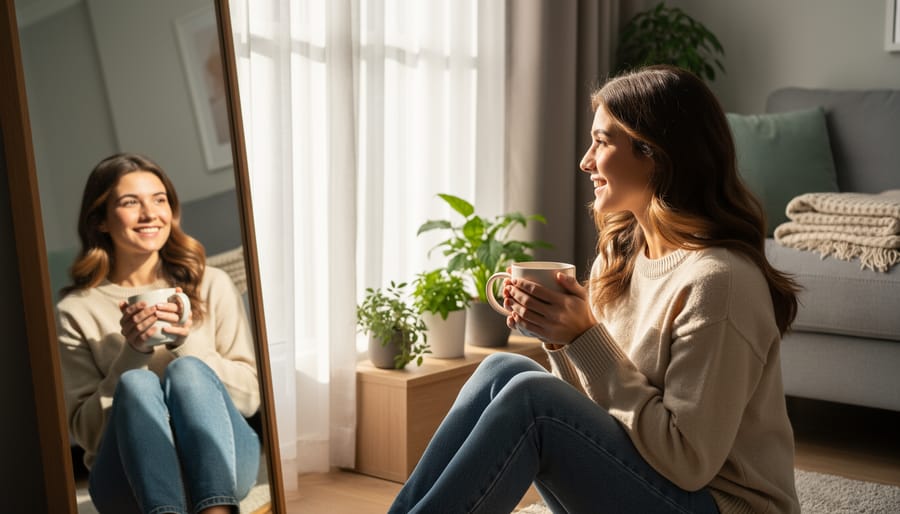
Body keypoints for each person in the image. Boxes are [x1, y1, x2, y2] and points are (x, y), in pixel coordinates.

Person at [388, 65, 802, 513]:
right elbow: (600, 410)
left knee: (534, 401)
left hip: (716, 503)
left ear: (655, 154)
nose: (586, 160)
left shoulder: (719, 282)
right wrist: (562, 338)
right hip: (655, 481)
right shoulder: (623, 252)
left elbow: (687, 461)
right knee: (502, 371)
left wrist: (585, 339)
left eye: (602, 142)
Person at [57, 153, 261, 514]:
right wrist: (131, 355)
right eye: (130, 202)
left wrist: (186, 344)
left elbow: (248, 399)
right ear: (101, 220)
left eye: (160, 199)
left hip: (223, 462)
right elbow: (87, 435)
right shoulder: (75, 311)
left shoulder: (211, 284)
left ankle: (217, 510)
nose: (150, 214)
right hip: (127, 482)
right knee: (136, 384)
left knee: (188, 371)